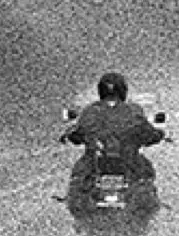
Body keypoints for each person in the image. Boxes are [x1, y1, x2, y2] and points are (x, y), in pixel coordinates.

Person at [62, 71, 163, 203]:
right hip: (129, 160)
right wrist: (158, 135)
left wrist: (72, 136)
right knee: (145, 175)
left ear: (101, 90)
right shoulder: (133, 110)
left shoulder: (91, 110)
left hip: (96, 161)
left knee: (79, 175)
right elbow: (148, 133)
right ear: (123, 90)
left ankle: (79, 199)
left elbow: (78, 134)